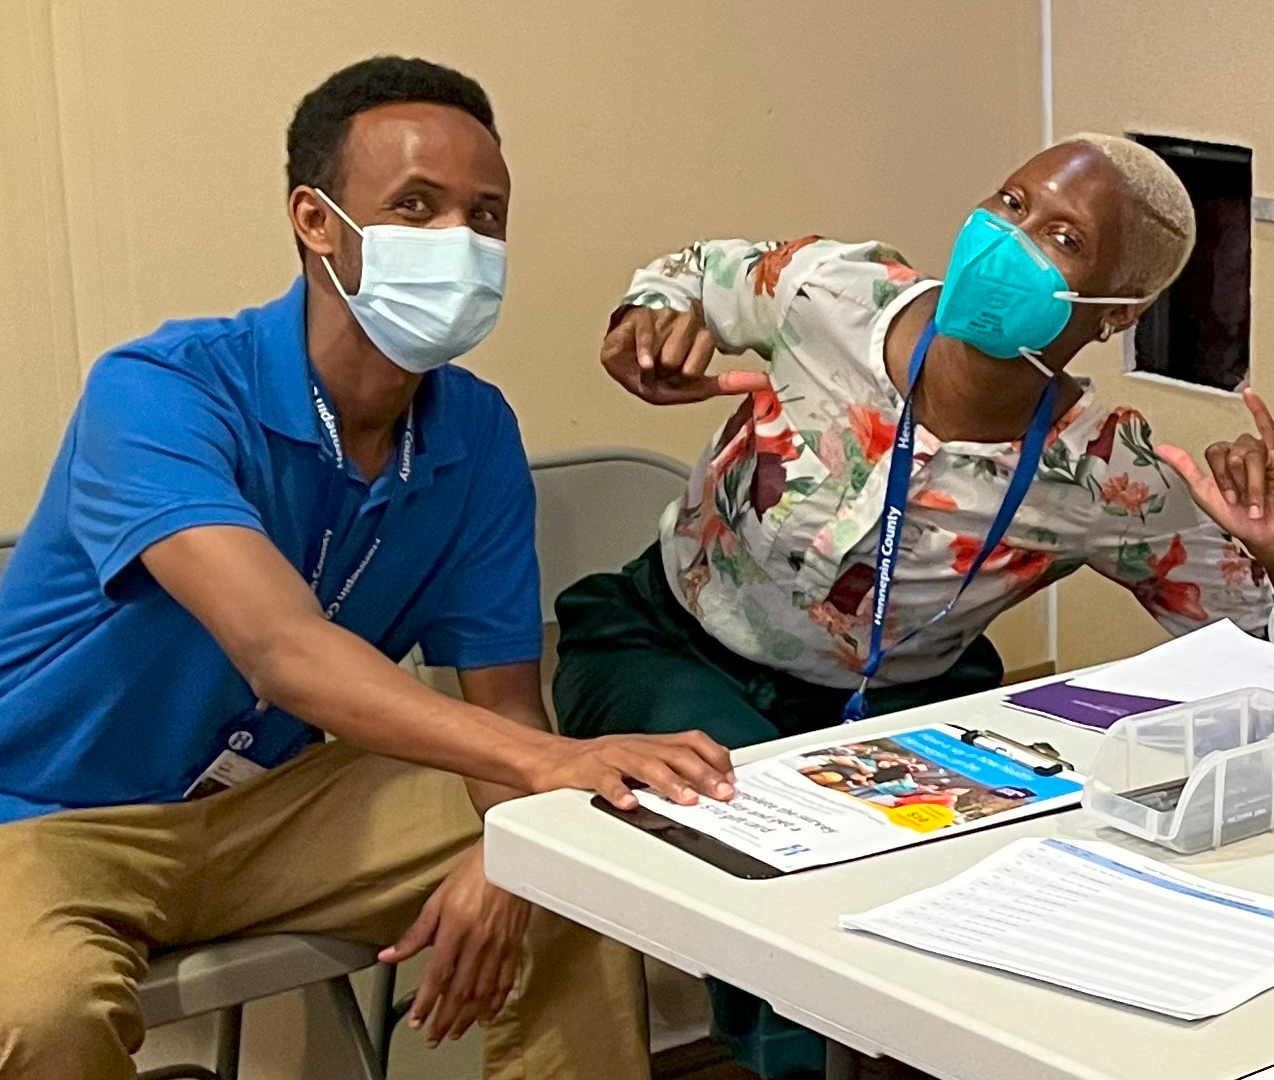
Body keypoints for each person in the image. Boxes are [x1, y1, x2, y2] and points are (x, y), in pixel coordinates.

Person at [557, 132, 1274, 1075]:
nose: (1008, 241)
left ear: (1117, 310)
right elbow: (690, 275)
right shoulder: (831, 293)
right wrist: (646, 323)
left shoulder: (1107, 475)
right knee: (755, 830)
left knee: (954, 911)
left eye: (1062, 240)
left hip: (891, 712)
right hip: (665, 647)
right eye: (1010, 204)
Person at [0, 57, 738, 1079]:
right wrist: (544, 773)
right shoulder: (160, 390)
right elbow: (282, 652)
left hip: (280, 800)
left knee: (576, 874)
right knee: (42, 1012)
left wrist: (511, 847)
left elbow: (508, 714)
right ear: (315, 220)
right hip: (47, 815)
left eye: (486, 218)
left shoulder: (472, 431)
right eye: (415, 207)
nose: (460, 244)